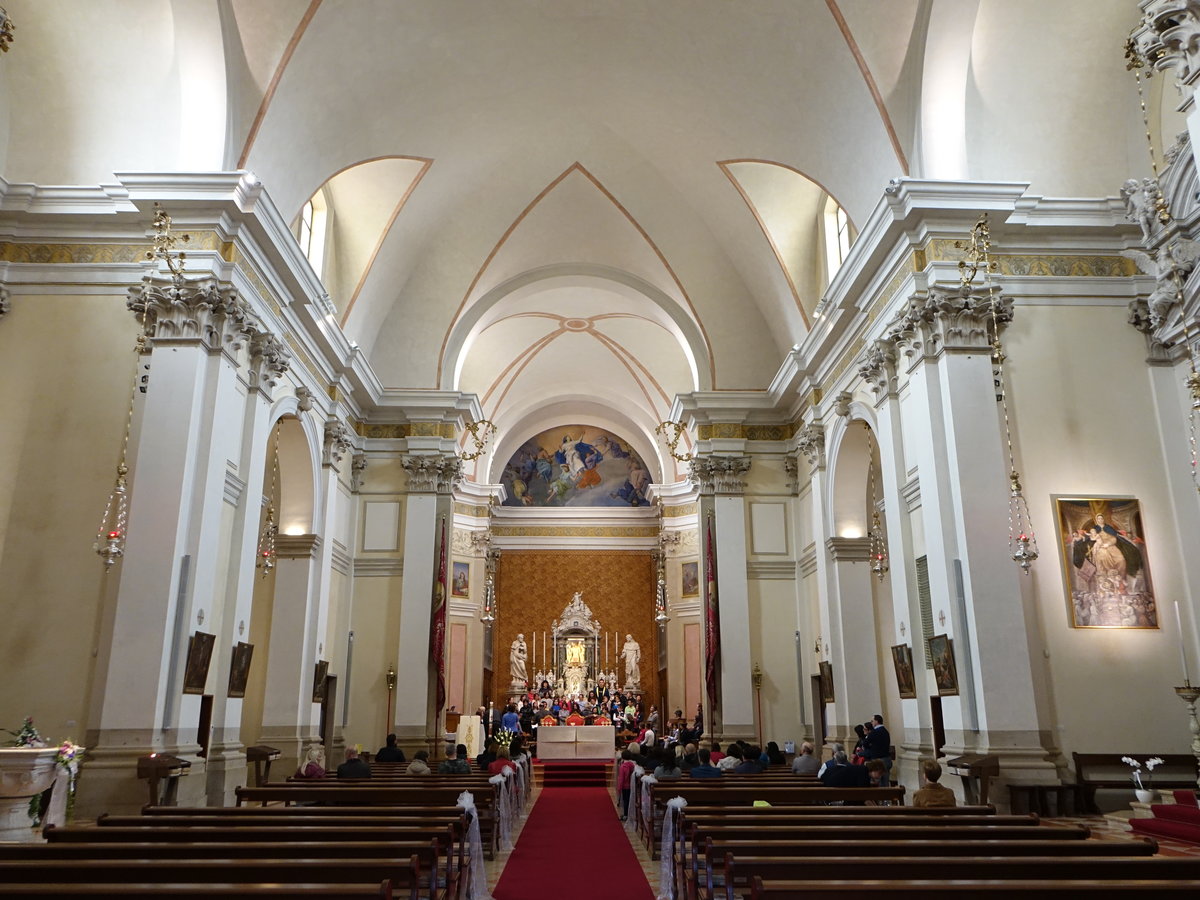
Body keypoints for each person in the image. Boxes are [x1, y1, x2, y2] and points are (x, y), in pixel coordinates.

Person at [861, 714, 892, 785]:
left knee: (878, 782)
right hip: (887, 758)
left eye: (872, 721)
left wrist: (870, 747)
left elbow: (865, 743)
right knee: (885, 781)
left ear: (876, 721)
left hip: (878, 761)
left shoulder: (874, 732)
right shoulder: (886, 731)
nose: (871, 723)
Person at [617, 749, 636, 820]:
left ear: (622, 757)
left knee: (626, 801)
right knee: (629, 800)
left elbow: (621, 778)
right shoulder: (632, 765)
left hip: (625, 786)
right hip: (631, 785)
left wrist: (619, 788)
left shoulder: (623, 766)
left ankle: (626, 815)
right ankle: (630, 814)